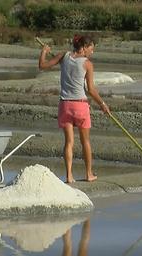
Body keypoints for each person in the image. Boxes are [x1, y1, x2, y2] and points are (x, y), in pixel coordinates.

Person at [39, 35, 109, 183]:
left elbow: (42, 66)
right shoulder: (87, 64)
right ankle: (88, 174)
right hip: (80, 105)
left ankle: (69, 176)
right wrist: (102, 104)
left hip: (65, 105)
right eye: (91, 49)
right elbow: (91, 89)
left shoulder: (63, 56)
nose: (92, 52)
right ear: (83, 48)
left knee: (69, 142)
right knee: (85, 142)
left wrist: (44, 51)